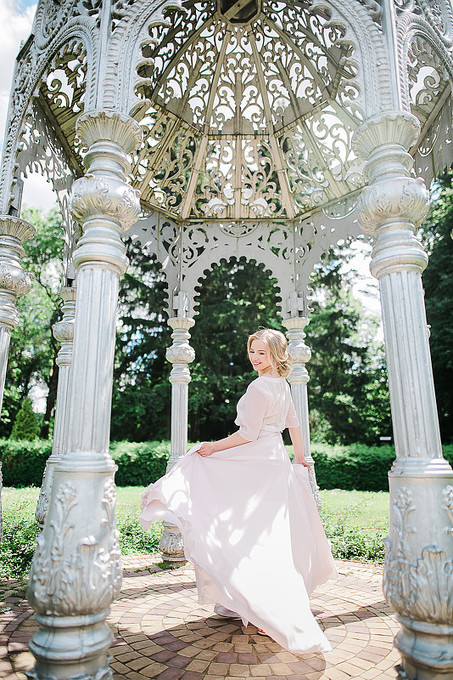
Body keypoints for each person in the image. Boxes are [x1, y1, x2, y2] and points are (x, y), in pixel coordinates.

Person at [140, 328, 337, 654]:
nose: (255, 358)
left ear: (276, 354)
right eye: (252, 351)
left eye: (262, 353)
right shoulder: (282, 384)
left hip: (256, 461)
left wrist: (213, 447)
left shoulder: (260, 387)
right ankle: (243, 600)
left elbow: (248, 434)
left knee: (247, 532)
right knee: (262, 533)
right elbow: (293, 424)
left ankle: (262, 606)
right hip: (273, 460)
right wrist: (300, 457)